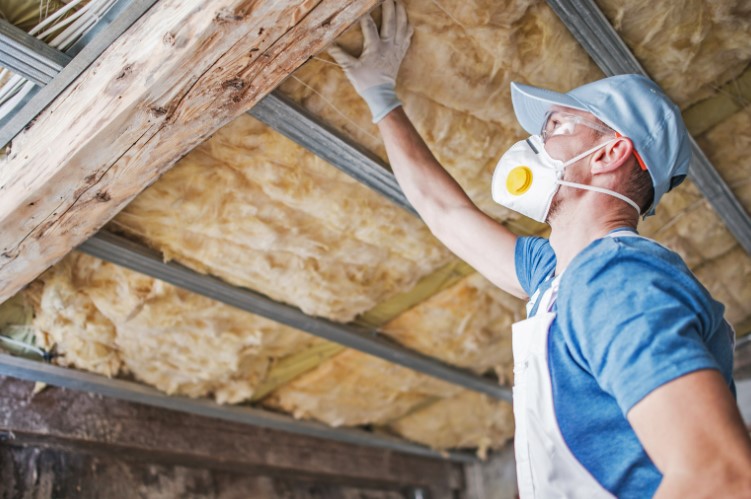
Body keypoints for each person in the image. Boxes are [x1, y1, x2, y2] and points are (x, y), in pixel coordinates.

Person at [328, 1, 751, 497]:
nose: (535, 143)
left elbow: (721, 476)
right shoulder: (559, 277)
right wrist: (381, 99)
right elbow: (446, 214)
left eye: (556, 128)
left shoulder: (617, 281)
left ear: (612, 152)